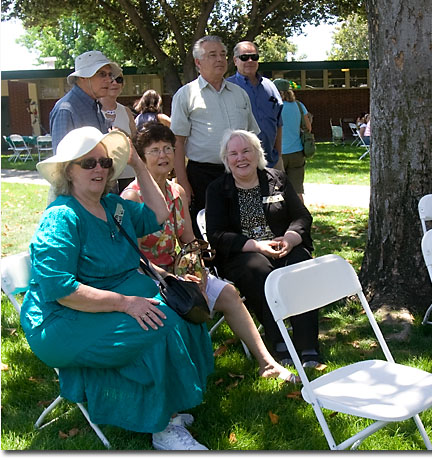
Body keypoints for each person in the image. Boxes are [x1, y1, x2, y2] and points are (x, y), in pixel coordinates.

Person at [21, 126, 212, 450]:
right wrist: (126, 303)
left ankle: (170, 406)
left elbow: (159, 214)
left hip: (104, 302)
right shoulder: (62, 218)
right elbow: (61, 289)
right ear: (69, 171)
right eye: (88, 163)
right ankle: (162, 427)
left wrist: (137, 164)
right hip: (61, 319)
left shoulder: (113, 206)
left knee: (181, 316)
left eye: (105, 162)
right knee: (156, 324)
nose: (99, 169)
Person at [120, 122, 298, 383]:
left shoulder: (177, 192)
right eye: (155, 150)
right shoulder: (131, 198)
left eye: (168, 148)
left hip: (180, 271)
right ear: (141, 157)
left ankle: (267, 363)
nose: (163, 156)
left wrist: (196, 271)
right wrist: (170, 278)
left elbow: (189, 239)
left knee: (228, 293)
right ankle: (183, 377)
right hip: (147, 278)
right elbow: (130, 255)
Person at [205, 130, 321, 367]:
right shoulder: (218, 189)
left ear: (257, 153)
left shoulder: (277, 178)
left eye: (246, 151)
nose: (241, 158)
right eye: (234, 153)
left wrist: (290, 238)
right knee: (260, 271)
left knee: (301, 267)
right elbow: (216, 235)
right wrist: (257, 246)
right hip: (244, 253)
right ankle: (278, 340)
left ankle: (307, 344)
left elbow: (301, 216)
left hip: (284, 246)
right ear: (226, 159)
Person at [170, 35, 259, 237]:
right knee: (210, 231)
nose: (220, 59)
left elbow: (252, 137)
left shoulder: (239, 94)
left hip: (243, 170)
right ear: (198, 62)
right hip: (203, 176)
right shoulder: (185, 95)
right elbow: (177, 142)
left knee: (250, 226)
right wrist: (183, 182)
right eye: (212, 55)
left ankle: (255, 261)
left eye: (222, 54)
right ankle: (212, 268)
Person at [227, 41, 284, 170]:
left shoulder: (270, 86)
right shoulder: (227, 88)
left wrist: (278, 155)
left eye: (254, 57)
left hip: (272, 162)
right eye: (244, 57)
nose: (250, 60)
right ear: (235, 60)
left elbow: (278, 123)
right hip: (241, 165)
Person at [49, 50, 121, 153]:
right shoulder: (66, 110)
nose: (109, 80)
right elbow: (62, 159)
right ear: (83, 76)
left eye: (110, 75)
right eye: (102, 74)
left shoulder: (94, 105)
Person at [272, 78, 312, 203]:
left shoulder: (272, 107)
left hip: (278, 154)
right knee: (297, 190)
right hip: (297, 152)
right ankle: (301, 218)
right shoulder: (299, 106)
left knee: (278, 190)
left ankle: (282, 219)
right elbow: (308, 128)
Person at [100, 73, 138, 192]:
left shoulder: (126, 111)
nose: (115, 83)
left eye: (119, 80)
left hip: (127, 173)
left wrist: (123, 136)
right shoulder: (92, 111)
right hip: (103, 172)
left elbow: (136, 141)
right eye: (111, 80)